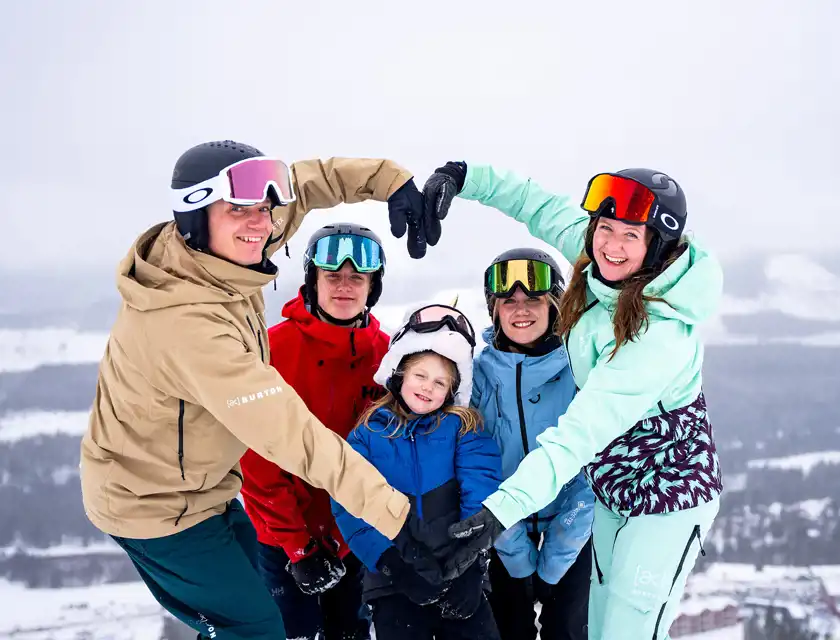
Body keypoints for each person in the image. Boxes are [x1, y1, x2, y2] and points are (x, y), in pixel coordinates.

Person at [79, 140, 447, 640]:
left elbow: (312, 182)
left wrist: (389, 180)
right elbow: (289, 433)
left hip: (209, 491)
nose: (261, 224)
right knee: (259, 629)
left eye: (264, 210)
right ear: (194, 213)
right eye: (239, 210)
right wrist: (398, 521)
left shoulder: (222, 250)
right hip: (153, 504)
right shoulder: (187, 325)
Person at [426, 162, 724, 639]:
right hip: (613, 490)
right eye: (605, 228)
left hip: (668, 497)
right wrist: (464, 179)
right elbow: (537, 206)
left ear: (658, 245)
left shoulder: (660, 335)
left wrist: (500, 511)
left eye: (630, 234)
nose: (611, 244)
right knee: (602, 629)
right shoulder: (599, 264)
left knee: (628, 629)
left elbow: (578, 434)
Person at [240, 222, 391, 640]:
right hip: (281, 537)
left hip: (356, 534)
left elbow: (383, 455)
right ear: (313, 281)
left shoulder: (387, 358)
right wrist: (299, 547)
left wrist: (346, 536)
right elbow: (255, 458)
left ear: (372, 287)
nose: (345, 286)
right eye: (333, 276)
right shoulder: (274, 349)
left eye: (357, 277)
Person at [332, 304, 503, 640]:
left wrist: (470, 565)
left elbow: (481, 489)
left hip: (458, 571)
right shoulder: (368, 434)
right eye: (420, 376)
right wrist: (390, 563)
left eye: (440, 382)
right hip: (395, 582)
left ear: (452, 391)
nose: (428, 387)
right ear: (399, 374)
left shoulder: (462, 428)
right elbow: (348, 501)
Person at [471, 248, 594, 640]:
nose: (520, 309)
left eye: (533, 299)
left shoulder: (581, 368)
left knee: (568, 631)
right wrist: (519, 560)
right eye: (509, 301)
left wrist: (554, 563)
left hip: (573, 529)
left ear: (554, 304)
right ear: (495, 310)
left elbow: (591, 473)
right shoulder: (478, 376)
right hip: (501, 530)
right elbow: (478, 468)